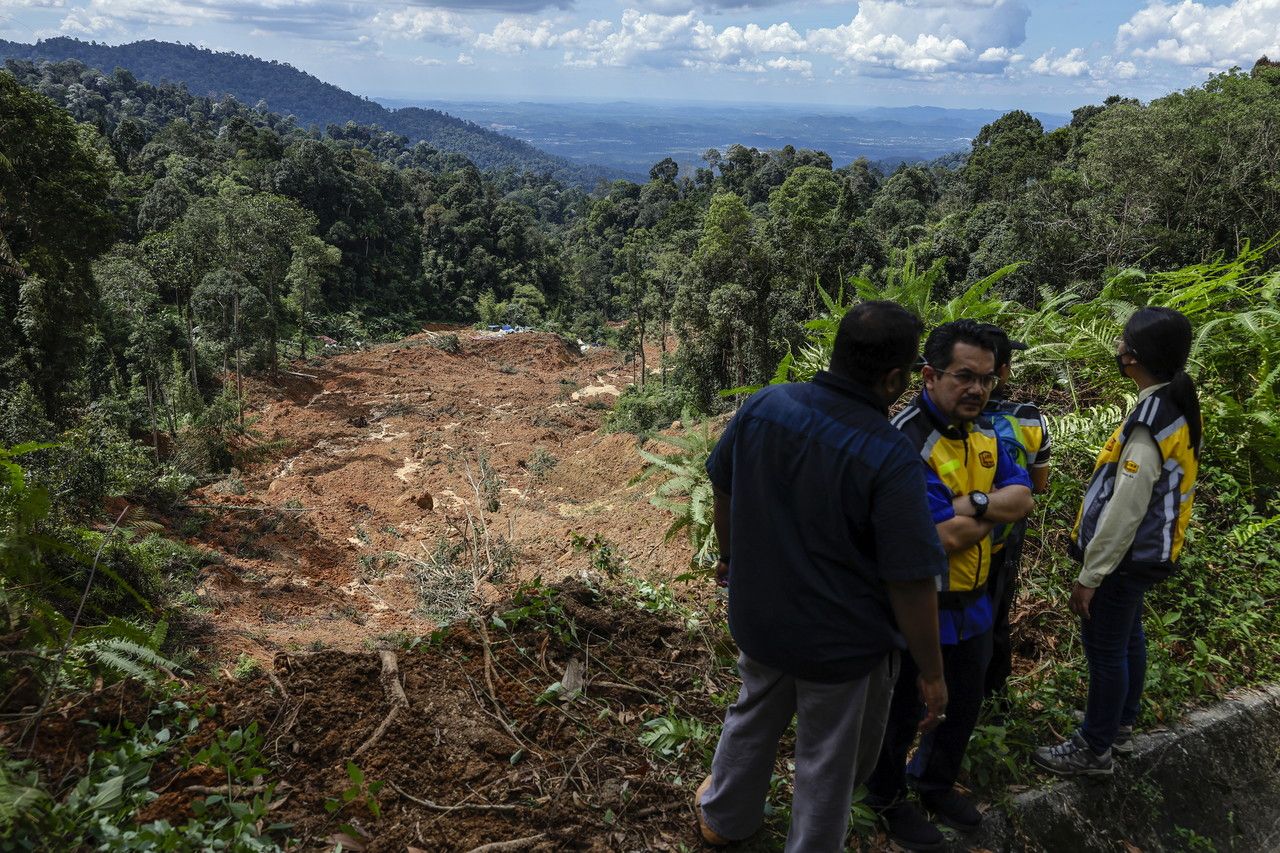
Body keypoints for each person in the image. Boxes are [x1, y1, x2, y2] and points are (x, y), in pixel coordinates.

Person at [695, 301, 949, 852]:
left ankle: (724, 818)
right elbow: (909, 581)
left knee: (753, 714)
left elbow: (722, 482)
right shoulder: (890, 456)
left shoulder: (765, 406)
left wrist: (729, 556)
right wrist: (931, 671)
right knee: (826, 762)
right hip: (841, 644)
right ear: (894, 378)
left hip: (761, 618)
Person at [864, 319, 1034, 853]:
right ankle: (887, 799)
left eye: (986, 379)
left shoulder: (986, 430)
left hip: (977, 603)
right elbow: (935, 540)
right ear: (929, 375)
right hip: (920, 606)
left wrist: (972, 505)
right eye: (964, 377)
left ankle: (934, 783)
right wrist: (989, 507)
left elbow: (1023, 498)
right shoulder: (905, 440)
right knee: (905, 710)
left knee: (962, 704)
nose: (978, 390)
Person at [1033, 306, 1202, 776]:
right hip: (1146, 556)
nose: (1117, 347)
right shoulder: (1172, 401)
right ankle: (1119, 725)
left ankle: (1094, 747)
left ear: (1134, 357)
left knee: (1106, 649)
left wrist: (1091, 574)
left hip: (1123, 558)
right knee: (1128, 639)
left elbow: (1125, 510)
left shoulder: (1151, 420)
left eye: (1122, 341)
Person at [977, 324, 1052, 707]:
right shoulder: (1029, 417)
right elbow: (1038, 485)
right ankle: (994, 697)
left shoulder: (943, 417)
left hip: (956, 531)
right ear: (1003, 370)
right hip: (1007, 534)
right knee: (998, 611)